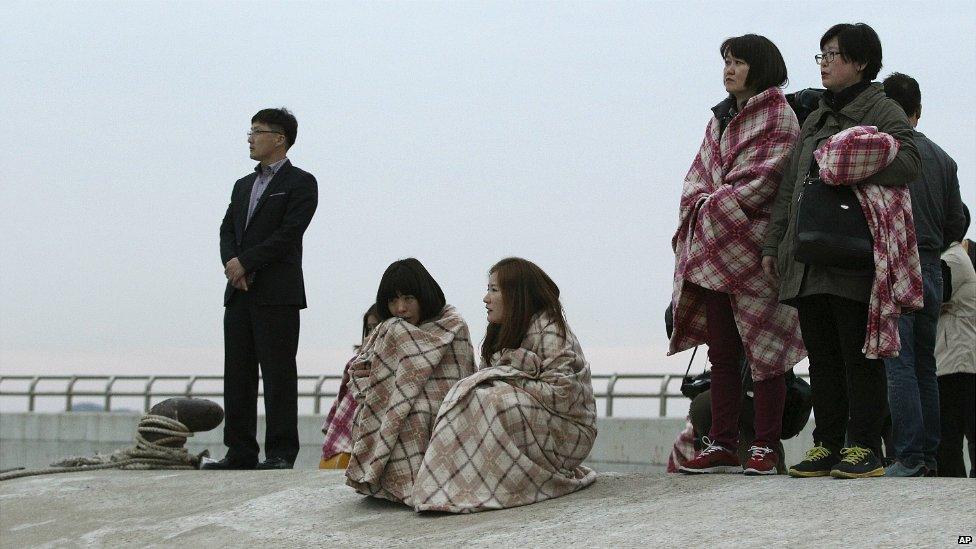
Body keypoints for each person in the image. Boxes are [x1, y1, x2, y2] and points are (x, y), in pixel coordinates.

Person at [762, 23, 922, 479]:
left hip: (854, 254)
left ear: (860, 63)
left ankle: (865, 446)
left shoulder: (882, 109)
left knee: (859, 355)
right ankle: (827, 444)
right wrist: (774, 244)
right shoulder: (813, 117)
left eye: (833, 54)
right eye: (821, 55)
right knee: (823, 356)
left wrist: (852, 162)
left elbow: (909, 161)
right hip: (809, 256)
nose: (825, 62)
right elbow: (791, 185)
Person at [669, 34, 804, 476]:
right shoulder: (719, 119)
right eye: (726, 60)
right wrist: (707, 205)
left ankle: (764, 445)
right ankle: (723, 442)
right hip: (713, 250)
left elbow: (766, 180)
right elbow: (696, 179)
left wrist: (711, 206)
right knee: (722, 352)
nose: (728, 68)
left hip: (757, 249)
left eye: (739, 61)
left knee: (767, 353)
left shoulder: (779, 117)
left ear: (760, 67)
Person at [412, 257, 597, 513]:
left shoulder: (549, 328)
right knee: (474, 398)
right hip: (538, 422)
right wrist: (509, 372)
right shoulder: (501, 332)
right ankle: (454, 488)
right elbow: (491, 378)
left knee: (493, 400)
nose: (485, 298)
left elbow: (562, 393)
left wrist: (510, 372)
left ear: (516, 294)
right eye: (488, 290)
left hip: (568, 430)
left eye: (493, 290)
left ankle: (492, 488)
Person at [206, 108, 318, 470]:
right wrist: (232, 265)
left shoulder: (301, 182)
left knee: (278, 372)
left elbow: (288, 234)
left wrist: (247, 262)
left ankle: (282, 452)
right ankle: (239, 450)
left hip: (277, 294)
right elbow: (227, 230)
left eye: (257, 131)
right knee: (237, 372)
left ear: (280, 138)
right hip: (239, 292)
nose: (250, 138)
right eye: (250, 131)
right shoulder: (242, 185)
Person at [879, 73, 967, 477]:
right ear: (918, 111)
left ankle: (908, 456)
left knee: (899, 363)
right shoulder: (945, 160)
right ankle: (928, 456)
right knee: (924, 368)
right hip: (932, 265)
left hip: (898, 265)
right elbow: (956, 223)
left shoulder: (886, 154)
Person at [344, 259, 475, 505]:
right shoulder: (388, 329)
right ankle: (387, 486)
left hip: (447, 405)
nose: (401, 308)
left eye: (408, 298)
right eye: (393, 301)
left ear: (423, 296)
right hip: (394, 403)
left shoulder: (453, 325)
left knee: (417, 413)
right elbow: (362, 370)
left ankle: (421, 487)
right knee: (386, 412)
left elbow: (460, 377)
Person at [935, 207, 975, 478]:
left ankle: (955, 486)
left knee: (950, 433)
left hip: (957, 360)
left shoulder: (952, 260)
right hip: (958, 358)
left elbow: (932, 298)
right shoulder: (956, 256)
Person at [319, 305, 379, 470]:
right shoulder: (358, 361)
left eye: (377, 326)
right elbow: (343, 398)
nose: (372, 332)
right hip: (349, 437)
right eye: (369, 328)